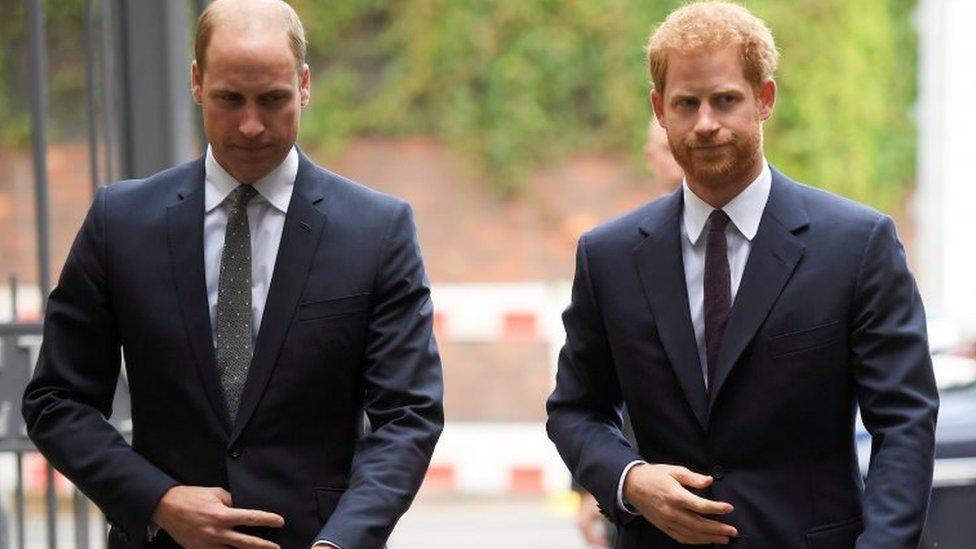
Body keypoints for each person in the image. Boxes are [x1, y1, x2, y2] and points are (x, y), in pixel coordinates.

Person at [21, 1, 443, 547]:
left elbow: (407, 416)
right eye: (229, 99)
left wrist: (341, 541)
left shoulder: (376, 231)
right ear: (197, 82)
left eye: (273, 100)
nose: (250, 125)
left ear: (305, 85)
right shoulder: (120, 223)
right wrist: (159, 501)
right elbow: (57, 400)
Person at [547, 1, 938, 547]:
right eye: (687, 103)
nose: (706, 123)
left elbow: (904, 422)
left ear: (765, 99)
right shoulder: (608, 256)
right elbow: (575, 408)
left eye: (725, 99)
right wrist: (630, 480)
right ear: (660, 110)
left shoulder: (856, 244)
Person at [575, 117, 683, 548]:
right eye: (667, 143)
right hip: (645, 495)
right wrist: (602, 481)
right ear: (651, 157)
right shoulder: (615, 252)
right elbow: (591, 387)